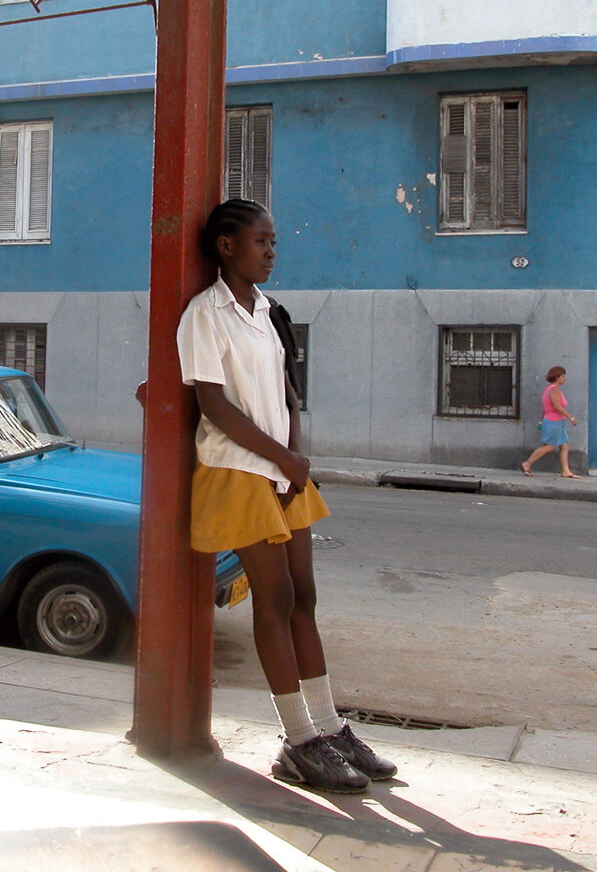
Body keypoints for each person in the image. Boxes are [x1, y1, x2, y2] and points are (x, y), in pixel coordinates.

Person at [176, 198, 395, 795]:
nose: (272, 252)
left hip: (281, 471)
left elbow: (287, 392)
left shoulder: (269, 312)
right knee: (272, 600)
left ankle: (329, 726)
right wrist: (280, 457)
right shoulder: (205, 315)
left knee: (305, 596)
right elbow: (213, 405)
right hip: (238, 472)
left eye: (274, 242)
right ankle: (298, 741)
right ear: (226, 246)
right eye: (261, 242)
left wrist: (296, 458)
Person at [521, 366, 579, 478]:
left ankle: (566, 471)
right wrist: (571, 418)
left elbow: (545, 408)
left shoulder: (549, 389)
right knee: (549, 446)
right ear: (557, 377)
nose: (564, 378)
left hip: (556, 422)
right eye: (562, 376)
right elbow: (557, 406)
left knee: (564, 445)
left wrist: (542, 420)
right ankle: (527, 463)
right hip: (554, 422)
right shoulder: (554, 389)